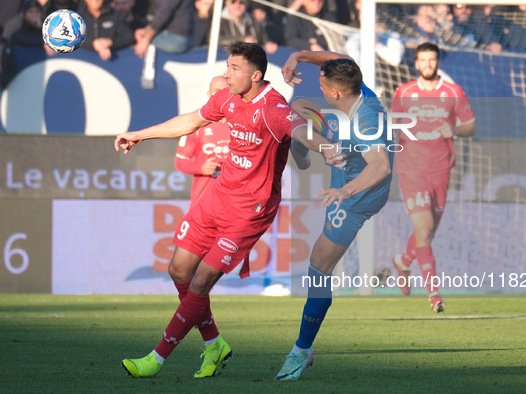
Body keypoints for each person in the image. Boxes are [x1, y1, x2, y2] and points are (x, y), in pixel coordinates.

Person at [115, 42, 335, 379]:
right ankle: (214, 343)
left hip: (251, 210)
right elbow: (190, 121)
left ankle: (155, 359)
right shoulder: (228, 98)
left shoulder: (273, 107)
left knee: (202, 280)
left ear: (256, 75)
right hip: (218, 198)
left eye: (234, 68)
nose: (226, 74)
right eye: (227, 66)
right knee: (179, 271)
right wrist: (140, 135)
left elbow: (301, 132)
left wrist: (326, 148)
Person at [275, 50, 393, 381]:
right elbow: (341, 59)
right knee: (296, 108)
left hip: (360, 195)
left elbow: (381, 167)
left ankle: (301, 351)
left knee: (319, 266)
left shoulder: (366, 119)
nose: (320, 85)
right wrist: (298, 56)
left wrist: (345, 192)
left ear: (335, 92)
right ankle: (306, 152)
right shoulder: (359, 90)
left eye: (322, 83)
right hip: (345, 158)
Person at [390, 42, 476, 313]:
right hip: (412, 169)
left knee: (427, 232)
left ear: (437, 62)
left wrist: (453, 129)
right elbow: (393, 125)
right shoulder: (404, 91)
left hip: (441, 169)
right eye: (423, 60)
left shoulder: (453, 92)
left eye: (432, 60)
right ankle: (434, 294)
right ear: (416, 63)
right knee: (424, 228)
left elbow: (470, 126)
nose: (427, 64)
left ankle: (403, 260)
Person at [175, 76, 231, 208]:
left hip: (233, 204)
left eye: (224, 90)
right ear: (209, 94)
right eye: (216, 90)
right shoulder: (197, 124)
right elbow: (180, 161)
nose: (219, 94)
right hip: (202, 203)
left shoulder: (241, 124)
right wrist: (201, 168)